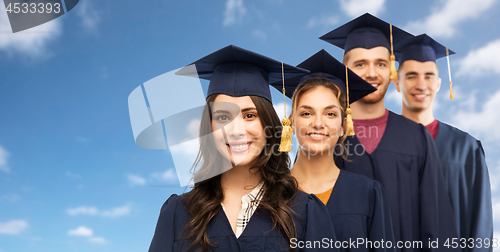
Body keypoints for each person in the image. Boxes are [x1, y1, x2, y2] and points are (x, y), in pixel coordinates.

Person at [148, 45, 339, 252]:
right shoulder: (178, 213)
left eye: (250, 115)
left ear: (269, 125)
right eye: (223, 117)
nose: (237, 130)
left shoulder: (306, 212)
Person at [320, 13, 459, 251]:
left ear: (392, 71)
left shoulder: (417, 137)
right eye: (360, 64)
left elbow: (438, 223)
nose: (371, 73)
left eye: (381, 64)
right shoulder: (325, 137)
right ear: (344, 71)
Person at [272, 49, 395, 252]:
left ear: (343, 125)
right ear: (291, 123)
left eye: (330, 113)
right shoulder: (270, 195)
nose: (318, 123)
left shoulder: (368, 193)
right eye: (306, 113)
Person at [394, 34, 493, 251]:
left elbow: (481, 227)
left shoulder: (466, 149)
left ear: (439, 84)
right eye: (411, 76)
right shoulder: (378, 146)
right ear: (396, 83)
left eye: (429, 76)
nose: (421, 84)